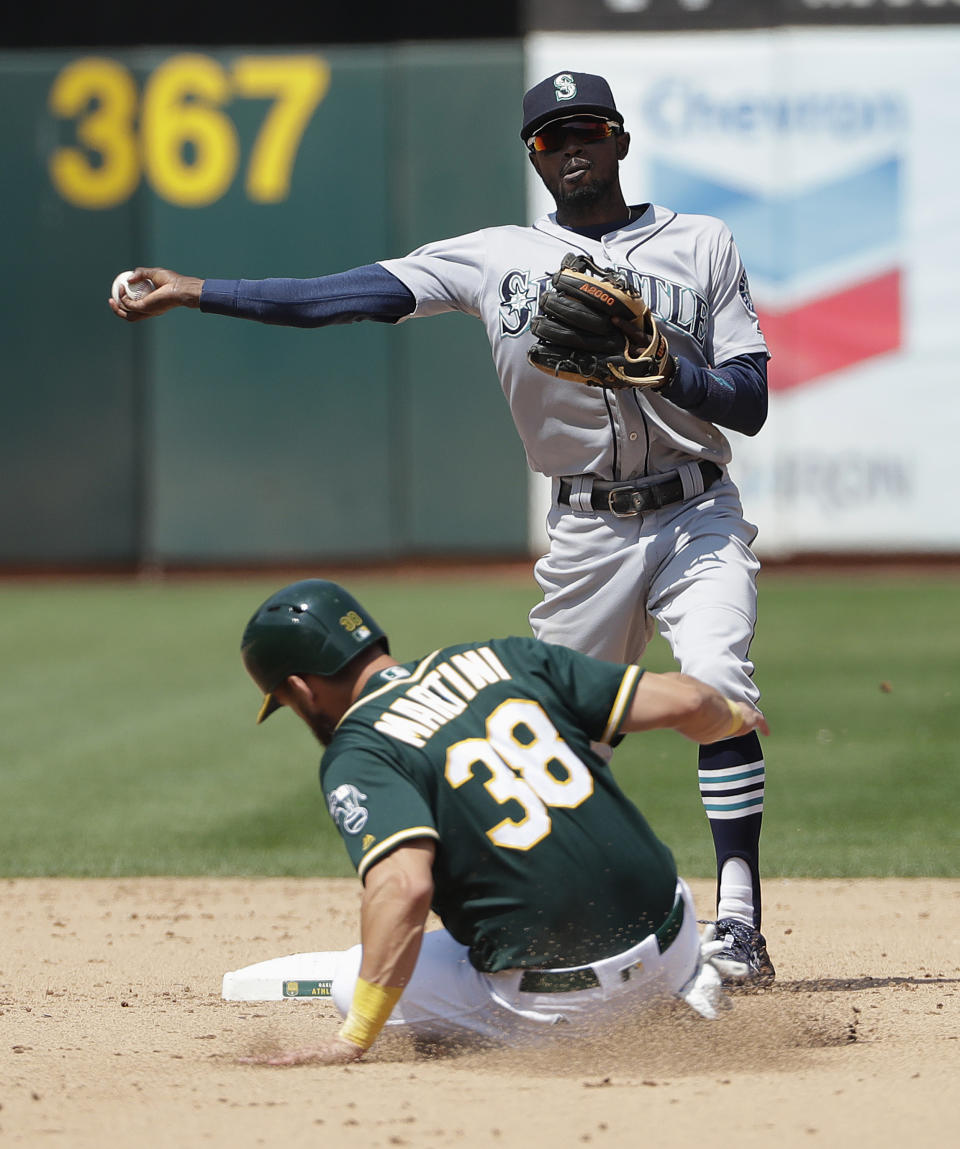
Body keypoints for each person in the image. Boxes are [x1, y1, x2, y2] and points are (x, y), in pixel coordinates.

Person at [110, 70, 774, 982]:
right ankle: (566, 919)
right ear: (533, 157)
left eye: (587, 131)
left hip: (697, 507)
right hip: (585, 534)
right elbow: (340, 296)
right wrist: (194, 288)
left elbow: (750, 402)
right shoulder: (492, 256)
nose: (571, 149)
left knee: (715, 680)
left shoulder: (702, 244)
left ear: (619, 140)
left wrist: (669, 370)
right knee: (542, 737)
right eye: (551, 139)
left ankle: (739, 920)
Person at [229, 577, 769, 1066]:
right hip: (675, 942)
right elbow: (689, 701)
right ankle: (683, 986)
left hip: (565, 1002)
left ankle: (569, 1028)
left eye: (286, 701)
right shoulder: (500, 657)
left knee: (353, 979)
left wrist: (355, 1037)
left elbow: (404, 886)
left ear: (300, 688)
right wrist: (736, 717)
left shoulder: (360, 749)